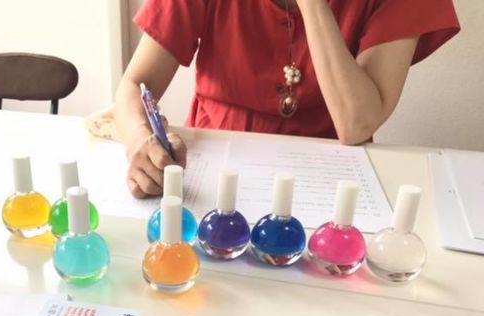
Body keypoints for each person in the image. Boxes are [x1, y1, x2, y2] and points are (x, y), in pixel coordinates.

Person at [114, 0, 460, 198]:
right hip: (213, 177)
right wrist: (141, 143)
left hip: (331, 184)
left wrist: (312, 5)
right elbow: (134, 85)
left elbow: (356, 124)